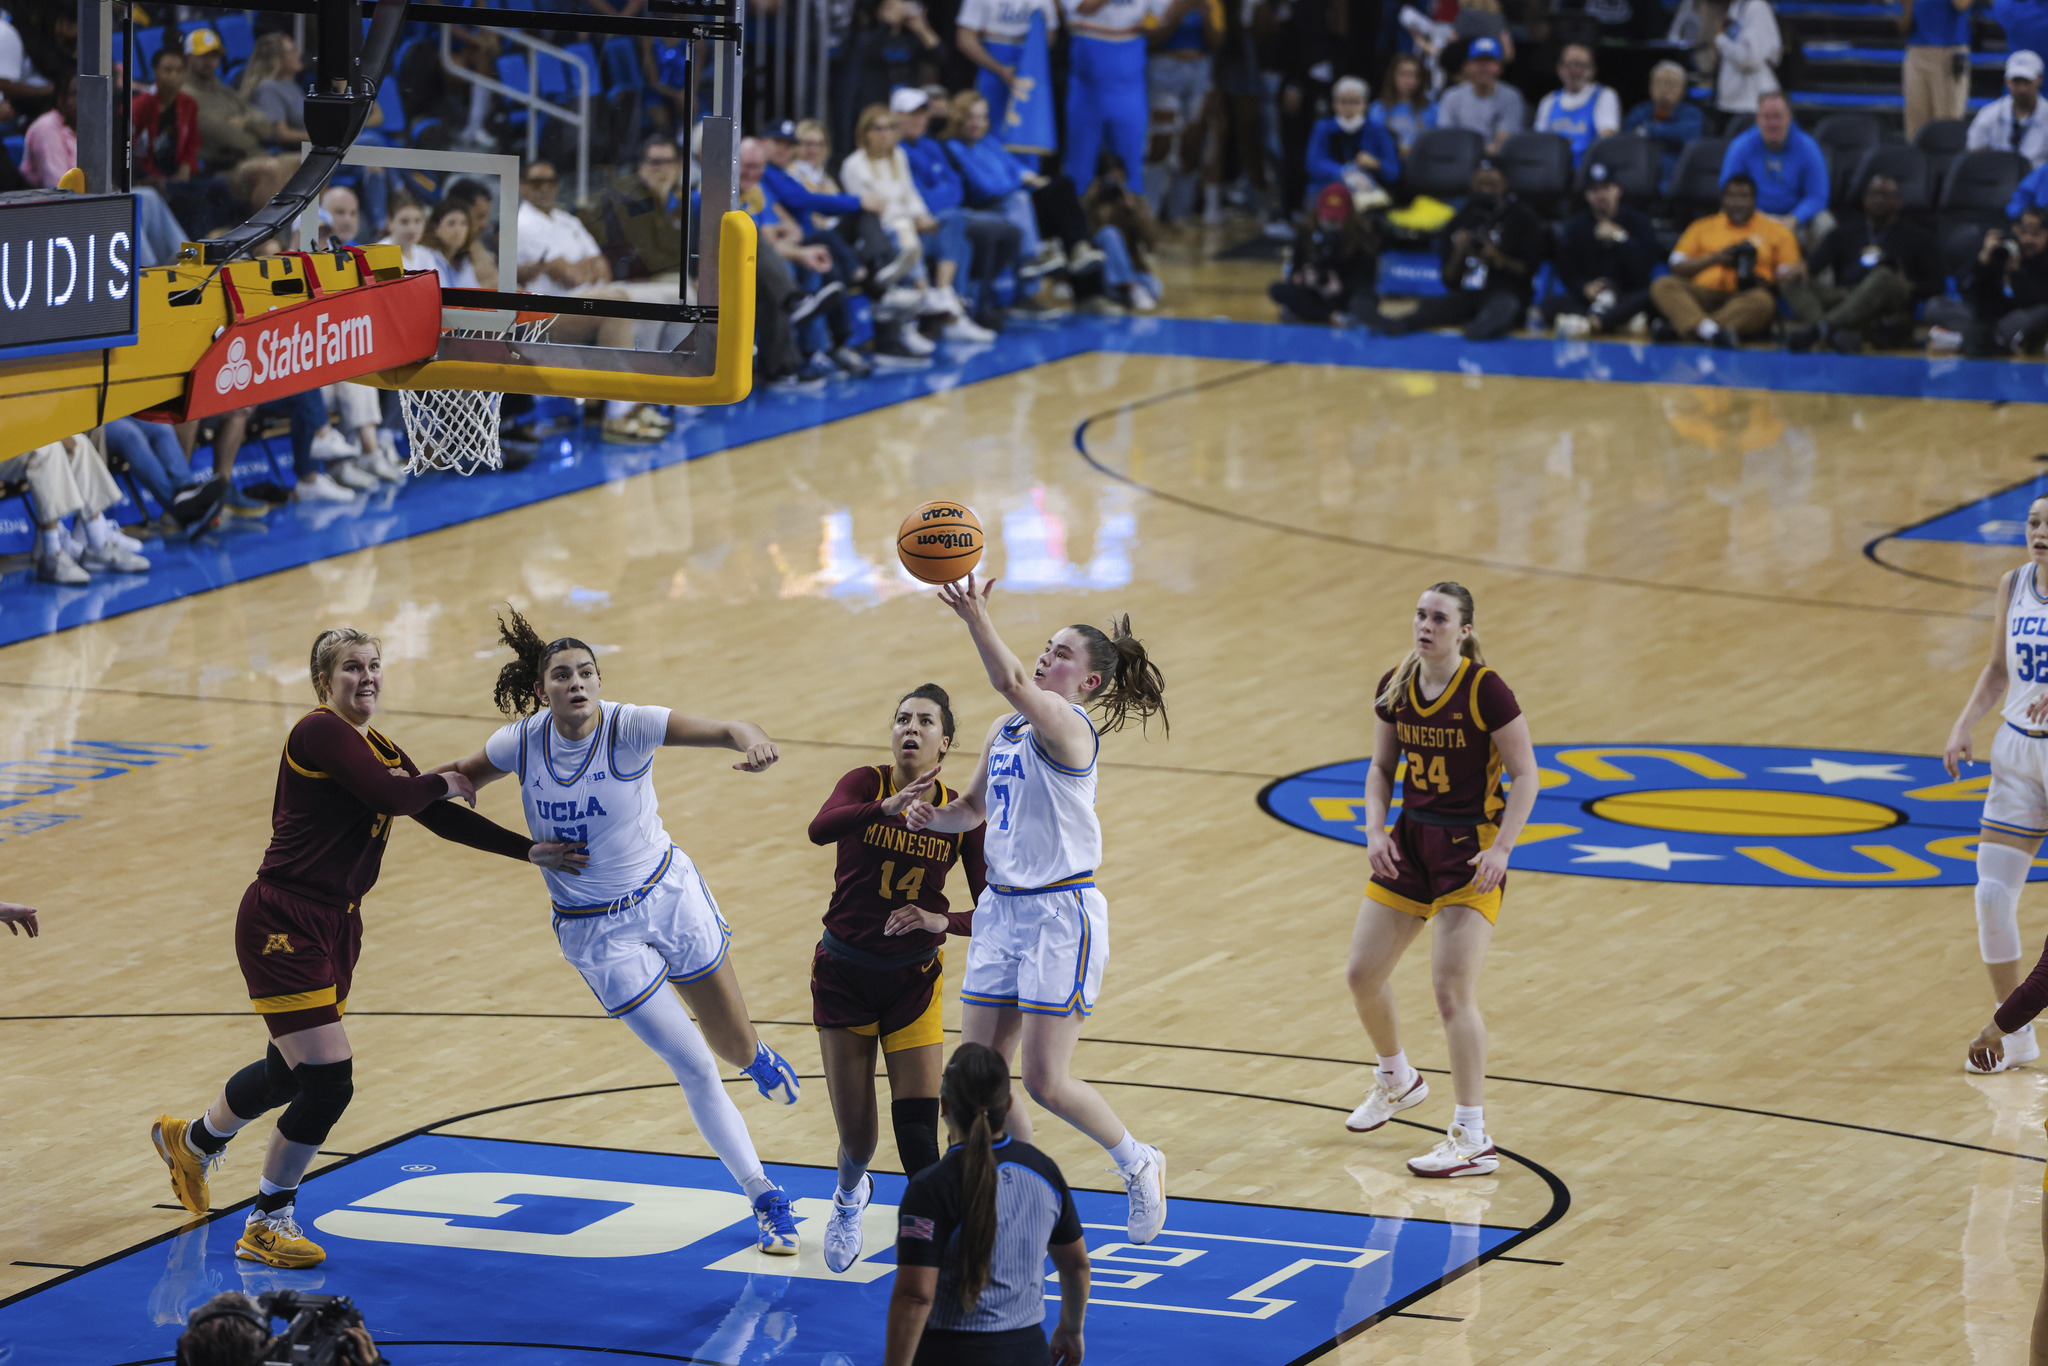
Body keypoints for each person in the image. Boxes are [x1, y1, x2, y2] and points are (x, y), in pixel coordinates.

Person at [149, 629, 570, 1268]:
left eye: (375, 666)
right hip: (282, 921)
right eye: (352, 668)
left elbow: (429, 811)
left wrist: (526, 850)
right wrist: (445, 781)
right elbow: (396, 798)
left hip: (337, 924)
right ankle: (268, 1219)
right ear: (325, 681)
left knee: (288, 1073)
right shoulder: (318, 733)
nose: (367, 677)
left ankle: (195, 1140)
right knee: (329, 1082)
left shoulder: (377, 747)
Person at [430, 610, 809, 1256]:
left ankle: (755, 1056)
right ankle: (764, 1196)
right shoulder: (519, 743)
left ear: (599, 682)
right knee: (691, 1064)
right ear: (543, 688)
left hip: (667, 896)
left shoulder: (628, 725)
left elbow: (724, 727)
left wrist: (754, 742)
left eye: (585, 673)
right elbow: (455, 778)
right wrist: (426, 793)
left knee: (732, 1046)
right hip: (596, 933)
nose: (575, 682)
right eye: (561, 675)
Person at [901, 578, 1171, 1245]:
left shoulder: (1070, 728)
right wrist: (935, 817)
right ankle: (1022, 1195)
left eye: (1062, 655)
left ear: (1091, 685)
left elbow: (1011, 681)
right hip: (1003, 912)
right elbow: (973, 809)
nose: (1046, 659)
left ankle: (1138, 1161)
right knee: (974, 1080)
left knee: (1046, 1079)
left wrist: (977, 617)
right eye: (1044, 649)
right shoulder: (1006, 729)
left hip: (1060, 915)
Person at [1343, 582, 1538, 1179]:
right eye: (1421, 614)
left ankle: (1473, 1135)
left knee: (1452, 995)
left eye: (1440, 618)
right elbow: (1381, 768)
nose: (1426, 625)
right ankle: (1397, 1078)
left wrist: (1504, 848)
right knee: (1362, 974)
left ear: (1465, 630)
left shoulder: (1486, 690)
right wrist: (1376, 831)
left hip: (1469, 852)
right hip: (1410, 841)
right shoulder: (1395, 684)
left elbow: (1526, 774)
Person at [807, 686, 988, 1273]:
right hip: (843, 976)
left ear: (945, 741)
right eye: (903, 718)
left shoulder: (962, 814)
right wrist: (881, 811)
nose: (911, 728)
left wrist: (944, 919)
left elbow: (993, 907)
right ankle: (848, 1196)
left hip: (913, 982)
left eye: (925, 721)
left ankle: (942, 1260)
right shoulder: (867, 783)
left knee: (917, 1140)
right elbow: (820, 827)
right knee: (858, 1142)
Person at [885, 1044, 1090, 1366]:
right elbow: (1076, 1265)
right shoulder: (1043, 1170)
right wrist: (1071, 1329)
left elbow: (916, 1296)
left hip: (949, 1353)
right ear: (1008, 1104)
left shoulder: (931, 1188)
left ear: (944, 1106)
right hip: (1028, 1351)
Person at [1953, 497, 2048, 1079]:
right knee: (1991, 894)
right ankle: (2015, 1034)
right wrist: (1964, 722)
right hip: (2016, 749)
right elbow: (1997, 668)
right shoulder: (2013, 583)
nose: (2041, 533)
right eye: (2036, 522)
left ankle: (2010, 1022)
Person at [516, 159, 666, 443]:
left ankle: (640, 399)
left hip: (583, 299)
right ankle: (618, 413)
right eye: (537, 182)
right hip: (547, 312)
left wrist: (581, 267)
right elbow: (569, 276)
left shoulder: (567, 219)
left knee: (665, 299)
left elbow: (603, 266)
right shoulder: (522, 223)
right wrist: (584, 267)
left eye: (551, 182)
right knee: (615, 302)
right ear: (523, 187)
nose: (545, 188)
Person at [841, 104, 994, 342]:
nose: (885, 134)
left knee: (953, 222)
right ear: (865, 133)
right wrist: (911, 221)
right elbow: (868, 212)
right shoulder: (854, 165)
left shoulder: (898, 157)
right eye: (878, 129)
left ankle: (944, 294)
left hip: (908, 224)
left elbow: (911, 194)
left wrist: (922, 216)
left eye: (891, 128)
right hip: (883, 234)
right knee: (914, 237)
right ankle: (928, 302)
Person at [1360, 159, 1546, 340]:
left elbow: (1529, 270)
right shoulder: (1461, 219)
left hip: (1506, 290)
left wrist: (1498, 258)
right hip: (1467, 293)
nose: (1486, 190)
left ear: (1506, 183)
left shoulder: (1524, 217)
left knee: (1505, 305)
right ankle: (1397, 324)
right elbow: (1449, 280)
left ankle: (1484, 326)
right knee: (1433, 308)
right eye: (1480, 184)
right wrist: (1459, 253)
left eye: (1492, 184)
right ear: (1472, 184)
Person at [947, 91, 1108, 292]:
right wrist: (1020, 181)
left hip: (1014, 200)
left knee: (1061, 186)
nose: (978, 123)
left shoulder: (988, 143)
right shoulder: (953, 148)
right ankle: (1033, 258)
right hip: (991, 206)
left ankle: (1079, 248)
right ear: (959, 118)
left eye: (982, 117)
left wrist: (1034, 180)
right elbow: (985, 187)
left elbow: (1017, 168)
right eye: (971, 117)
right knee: (1023, 198)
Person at [898, 88, 1023, 332]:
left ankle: (973, 302)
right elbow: (922, 198)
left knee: (1007, 232)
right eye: (911, 115)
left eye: (922, 115)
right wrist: (942, 194)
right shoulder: (900, 151)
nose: (918, 120)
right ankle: (964, 309)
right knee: (977, 230)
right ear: (898, 117)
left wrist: (941, 195)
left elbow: (957, 188)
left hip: (951, 214)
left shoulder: (932, 146)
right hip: (924, 221)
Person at [1782, 173, 1940, 352]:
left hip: (1887, 305)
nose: (1878, 200)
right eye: (1873, 194)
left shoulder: (1919, 237)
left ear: (1899, 202)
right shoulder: (1843, 232)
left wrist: (1911, 286)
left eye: (1885, 195)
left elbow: (1936, 285)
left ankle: (1820, 330)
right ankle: (1830, 332)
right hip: (1846, 297)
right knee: (1791, 278)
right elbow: (1813, 266)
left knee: (1883, 275)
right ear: (1864, 200)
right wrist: (1803, 267)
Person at [1650, 172, 1801, 346]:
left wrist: (1757, 278)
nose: (1738, 203)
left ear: (1754, 200)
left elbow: (1788, 276)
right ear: (1723, 199)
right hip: (1702, 295)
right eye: (1732, 196)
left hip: (1744, 298)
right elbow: (1676, 266)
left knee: (1764, 302)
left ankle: (1692, 329)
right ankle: (1712, 333)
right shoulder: (1702, 226)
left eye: (1744, 197)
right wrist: (1715, 258)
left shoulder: (1777, 231)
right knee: (1663, 285)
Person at [0, 434, 151, 584]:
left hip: (15, 437)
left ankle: (98, 544)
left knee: (78, 443)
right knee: (46, 447)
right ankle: (51, 554)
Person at [1060, 0, 1159, 193]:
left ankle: (1130, 219)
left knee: (1130, 164)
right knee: (1080, 165)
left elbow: (1164, 15)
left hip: (1129, 84)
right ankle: (1078, 219)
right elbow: (1083, 7)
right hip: (1087, 88)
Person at [1550, 163, 1658, 336]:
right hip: (1593, 296)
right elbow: (1566, 270)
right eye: (1594, 190)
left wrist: (1622, 238)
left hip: (1627, 294)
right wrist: (1584, 287)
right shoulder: (1576, 227)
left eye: (1606, 188)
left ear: (1618, 190)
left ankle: (1592, 322)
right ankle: (1618, 322)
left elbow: (1644, 268)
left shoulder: (1640, 223)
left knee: (1649, 295)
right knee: (1549, 304)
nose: (1601, 195)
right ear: (1586, 195)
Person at [1719, 91, 1830, 246]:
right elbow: (1730, 190)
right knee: (1723, 215)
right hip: (1751, 217)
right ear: (1757, 119)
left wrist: (1793, 219)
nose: (1772, 123)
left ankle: (1816, 270)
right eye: (1766, 117)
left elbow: (1817, 196)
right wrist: (1759, 218)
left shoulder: (1808, 147)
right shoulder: (1740, 146)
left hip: (1795, 221)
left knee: (1825, 223)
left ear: (1789, 118)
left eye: (1777, 116)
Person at [581, 135, 686, 282]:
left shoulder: (681, 201)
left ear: (679, 166)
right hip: (633, 279)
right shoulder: (632, 201)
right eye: (656, 162)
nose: (662, 169)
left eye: (669, 162)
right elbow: (651, 260)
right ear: (642, 168)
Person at [1271, 182, 1380, 324]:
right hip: (1314, 295)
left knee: (1365, 300)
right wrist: (1304, 278)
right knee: (1278, 290)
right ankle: (1333, 317)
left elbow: (1366, 282)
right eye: (1327, 217)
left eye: (1336, 219)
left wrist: (1340, 289)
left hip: (1346, 296)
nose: (1330, 223)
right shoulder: (1306, 234)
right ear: (1318, 212)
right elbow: (1294, 273)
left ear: (1348, 214)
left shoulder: (1363, 238)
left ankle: (1316, 314)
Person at [101, 417, 227, 537]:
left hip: (118, 409)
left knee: (162, 428)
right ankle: (185, 510)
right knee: (130, 435)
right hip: (93, 421)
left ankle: (186, 489)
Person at [1947, 208, 2048, 355]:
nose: (2028, 240)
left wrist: (2015, 273)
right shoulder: (2001, 250)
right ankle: (1972, 336)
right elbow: (1964, 285)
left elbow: (2036, 299)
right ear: (2015, 230)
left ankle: (1972, 338)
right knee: (1937, 305)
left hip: (2018, 318)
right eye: (2024, 233)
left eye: (2035, 235)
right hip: (1982, 317)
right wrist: (1982, 260)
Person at [955, 0, 1062, 133]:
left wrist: (1029, 64)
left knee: (1028, 127)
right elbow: (965, 39)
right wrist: (1000, 69)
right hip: (991, 61)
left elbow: (1050, 35)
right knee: (988, 120)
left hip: (1030, 62)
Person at [182, 28, 280, 172]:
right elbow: (233, 139)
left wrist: (246, 121)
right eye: (204, 56)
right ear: (188, 58)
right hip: (222, 168)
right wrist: (253, 133)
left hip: (254, 159)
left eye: (214, 56)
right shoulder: (186, 95)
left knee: (307, 166)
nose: (210, 62)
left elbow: (266, 126)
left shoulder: (219, 86)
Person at [1084, 152, 1164, 310]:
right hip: (1102, 275)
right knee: (1109, 234)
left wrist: (1134, 211)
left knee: (1155, 287)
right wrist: (1092, 202)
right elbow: (1086, 240)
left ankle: (1127, 287)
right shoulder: (1090, 202)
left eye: (1120, 177)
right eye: (1111, 177)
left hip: (1132, 271)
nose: (1116, 182)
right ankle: (1129, 287)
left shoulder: (1135, 202)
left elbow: (1152, 242)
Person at [1306, 75, 1401, 207]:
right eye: (1343, 101)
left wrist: (1376, 164)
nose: (1349, 107)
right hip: (1328, 189)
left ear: (1365, 105)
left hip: (1367, 192)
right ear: (1334, 104)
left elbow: (1394, 172)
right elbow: (1313, 164)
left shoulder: (1378, 130)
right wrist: (1345, 171)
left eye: (1355, 102)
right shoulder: (1323, 127)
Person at [1623, 60, 1705, 193]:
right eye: (1659, 82)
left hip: (1677, 178)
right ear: (1650, 86)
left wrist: (1649, 131)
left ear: (1683, 90)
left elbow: (1688, 135)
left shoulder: (1693, 114)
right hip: (1641, 173)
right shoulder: (1639, 112)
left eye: (1671, 83)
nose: (1665, 89)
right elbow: (1628, 138)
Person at [1533, 44, 1621, 167]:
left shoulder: (1604, 96)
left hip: (1586, 171)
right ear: (1559, 68)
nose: (1574, 71)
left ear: (1592, 70)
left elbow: (1607, 141)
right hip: (1551, 170)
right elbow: (1538, 142)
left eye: (1581, 65)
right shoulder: (1548, 100)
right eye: (1569, 64)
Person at [1902, 0, 1975, 141]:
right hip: (1917, 49)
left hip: (1949, 51)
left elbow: (1962, 5)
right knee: (1915, 128)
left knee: (1947, 125)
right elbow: (1903, 25)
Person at [1436, 37, 1524, 155]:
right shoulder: (1451, 96)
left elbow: (1504, 142)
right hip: (1458, 160)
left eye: (1489, 61)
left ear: (1500, 67)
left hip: (1496, 163)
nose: (1484, 68)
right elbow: (1446, 138)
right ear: (1468, 66)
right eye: (1478, 62)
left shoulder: (1511, 97)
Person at [1969, 51, 2048, 167]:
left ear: (2039, 80)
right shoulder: (1988, 114)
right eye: (2016, 82)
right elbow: (1972, 154)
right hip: (1997, 179)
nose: (2022, 89)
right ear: (2007, 81)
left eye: (2027, 82)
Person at [1710, 0, 1783, 119]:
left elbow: (1751, 59)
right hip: (1734, 101)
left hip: (1751, 103)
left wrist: (1721, 41)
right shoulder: (1737, 6)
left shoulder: (1756, 7)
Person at [237, 31, 312, 146]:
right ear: (277, 59)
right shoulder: (268, 88)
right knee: (349, 158)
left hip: (311, 148)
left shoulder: (289, 83)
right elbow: (281, 134)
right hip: (296, 153)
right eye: (292, 51)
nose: (298, 53)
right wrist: (321, 140)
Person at [1372, 52, 1439, 160]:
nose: (1410, 81)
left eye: (1415, 75)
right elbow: (1374, 142)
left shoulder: (1433, 109)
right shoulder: (1378, 108)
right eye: (1403, 74)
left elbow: (1438, 143)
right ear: (1392, 76)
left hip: (1423, 165)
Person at [21, 72, 75, 187]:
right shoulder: (46, 128)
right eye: (75, 94)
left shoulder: (97, 125)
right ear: (61, 100)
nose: (85, 100)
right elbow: (59, 186)